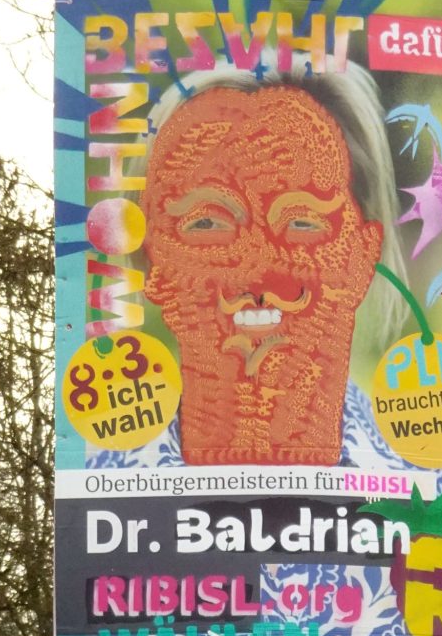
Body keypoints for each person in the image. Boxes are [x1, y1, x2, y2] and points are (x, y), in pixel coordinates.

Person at [141, 65, 411, 468]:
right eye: (208, 224)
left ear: (361, 256)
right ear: (157, 258)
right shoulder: (99, 488)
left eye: (302, 223)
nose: (256, 272)